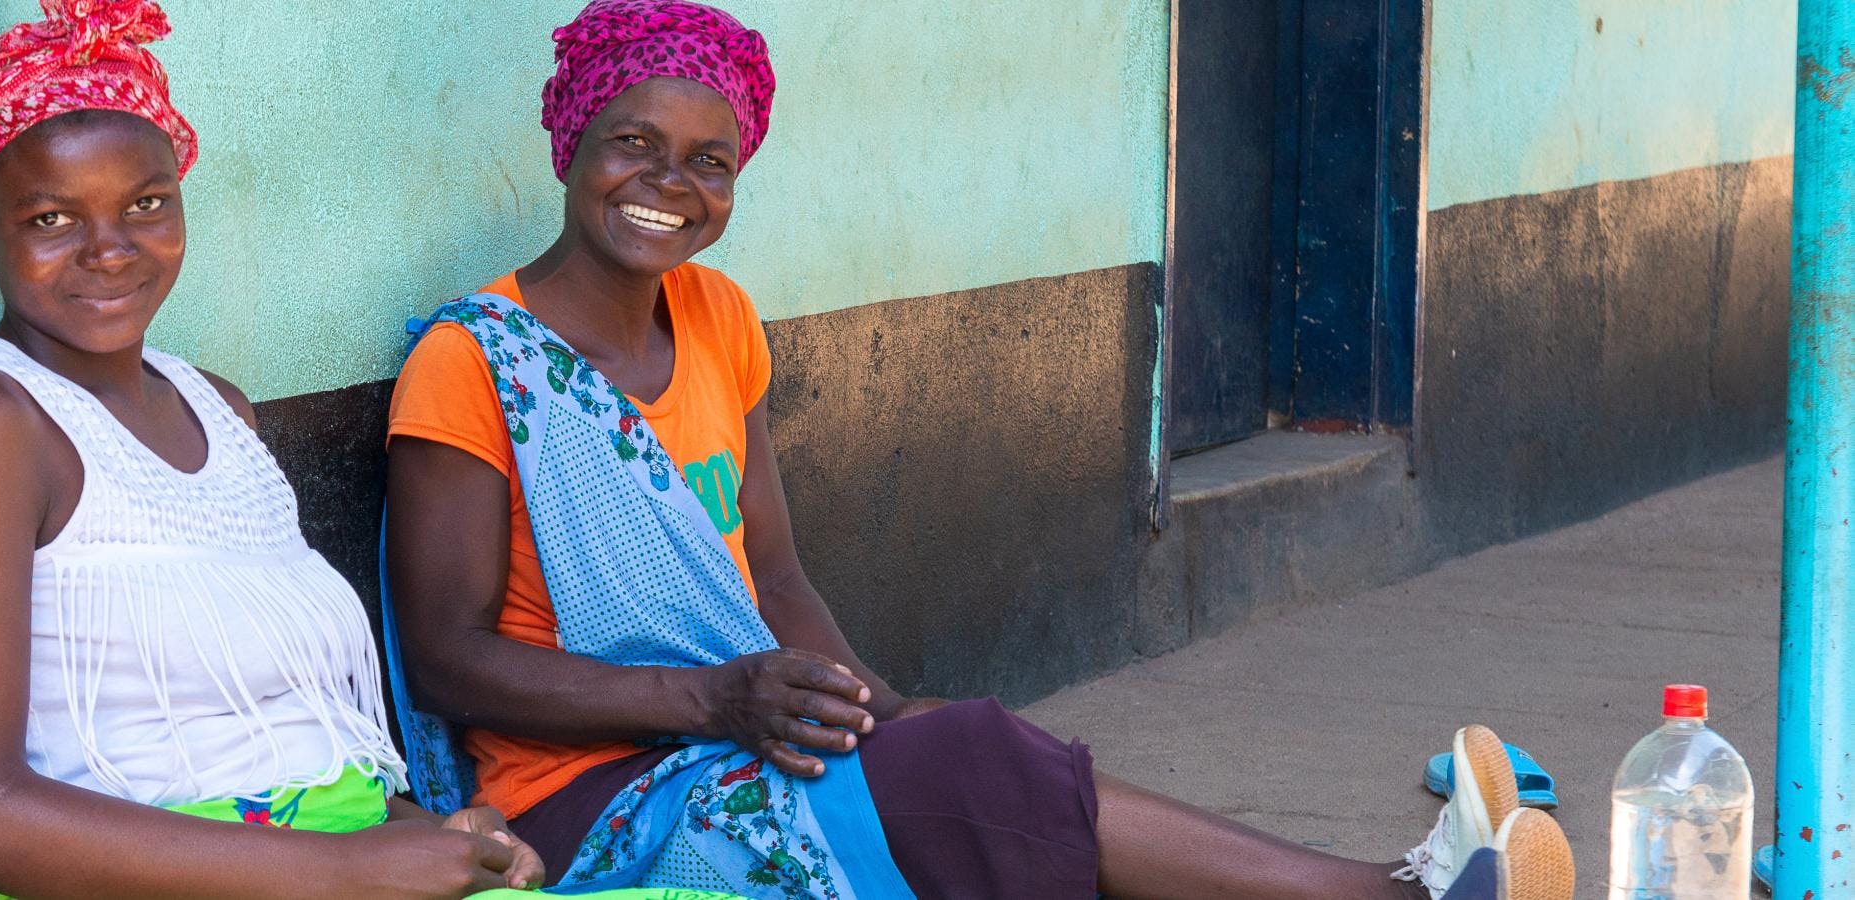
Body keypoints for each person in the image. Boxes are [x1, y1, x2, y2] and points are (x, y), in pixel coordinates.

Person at [379, 2, 1577, 898]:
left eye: (709, 163)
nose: (668, 186)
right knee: (962, 775)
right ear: (570, 148)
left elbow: (779, 580)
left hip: (723, 730)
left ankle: (1392, 887)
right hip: (574, 807)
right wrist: (713, 699)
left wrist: (872, 706)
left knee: (952, 742)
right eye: (633, 145)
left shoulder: (720, 319)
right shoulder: (478, 361)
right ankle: (1382, 893)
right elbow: (444, 659)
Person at [0, 3, 726, 897]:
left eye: (147, 205)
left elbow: (275, 738)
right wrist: (340, 869)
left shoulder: (220, 411)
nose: (110, 250)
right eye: (52, 219)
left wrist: (428, 838)